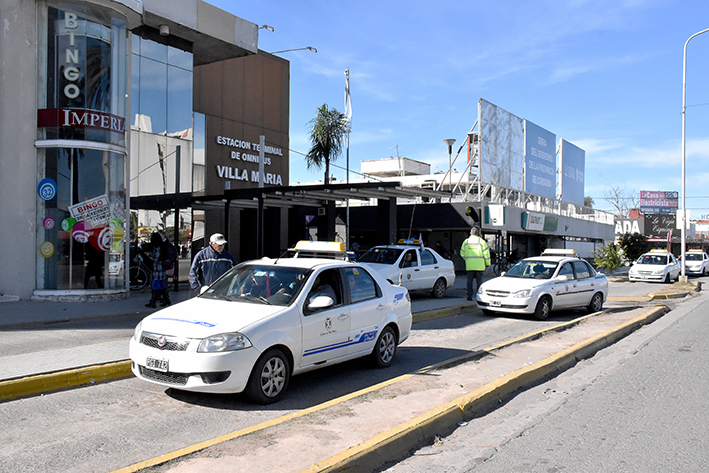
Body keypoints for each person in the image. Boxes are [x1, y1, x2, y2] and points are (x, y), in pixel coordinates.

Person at [460, 227, 491, 301]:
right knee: (479, 282)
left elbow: (462, 253)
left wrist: (467, 259)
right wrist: (488, 263)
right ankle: (479, 296)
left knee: (469, 281)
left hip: (470, 266)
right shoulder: (482, 242)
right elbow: (486, 254)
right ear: (478, 234)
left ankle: (469, 296)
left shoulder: (466, 242)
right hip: (480, 266)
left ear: (470, 233)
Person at [145, 232, 170, 307]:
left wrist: (149, 256)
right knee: (161, 285)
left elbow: (156, 258)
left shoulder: (157, 248)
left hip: (157, 268)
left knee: (155, 285)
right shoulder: (162, 247)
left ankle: (153, 301)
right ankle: (166, 300)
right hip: (162, 269)